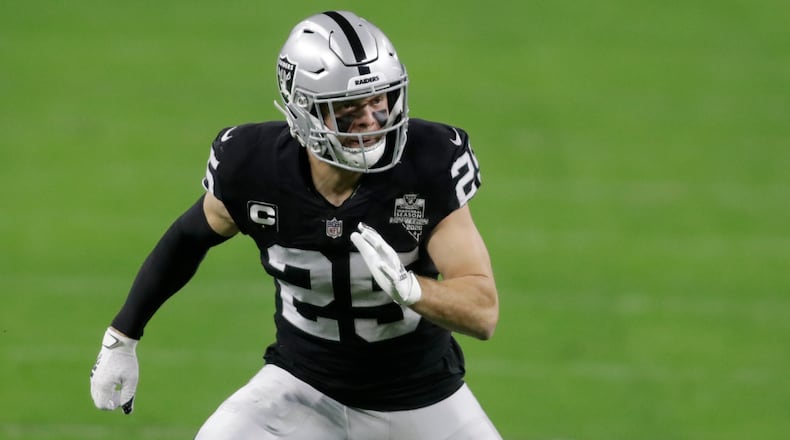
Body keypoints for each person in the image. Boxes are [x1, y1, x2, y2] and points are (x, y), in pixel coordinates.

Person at [90, 10, 501, 439]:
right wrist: (122, 337)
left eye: (379, 100)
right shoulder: (253, 167)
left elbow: (483, 311)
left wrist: (413, 290)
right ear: (304, 110)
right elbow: (188, 238)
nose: (370, 119)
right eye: (348, 107)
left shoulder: (428, 163)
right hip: (302, 387)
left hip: (423, 396)